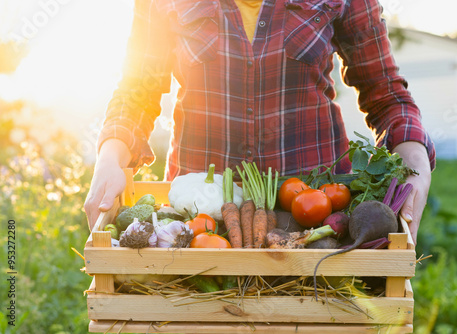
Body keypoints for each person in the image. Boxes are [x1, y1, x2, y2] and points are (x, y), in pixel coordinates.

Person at [84, 0, 435, 244]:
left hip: (317, 227)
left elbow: (385, 94)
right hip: (196, 223)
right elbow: (137, 90)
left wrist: (415, 160)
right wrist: (109, 158)